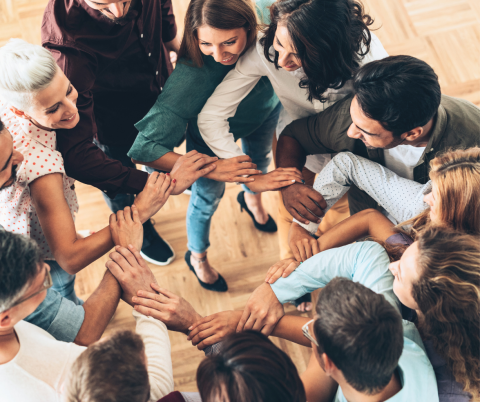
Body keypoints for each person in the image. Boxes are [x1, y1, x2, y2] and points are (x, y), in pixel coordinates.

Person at [197, 0, 389, 265]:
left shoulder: (372, 64)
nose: (282, 61)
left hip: (353, 155)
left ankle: (321, 262)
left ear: (328, 51)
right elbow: (210, 116)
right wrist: (248, 176)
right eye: (279, 44)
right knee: (289, 212)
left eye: (298, 55)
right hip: (294, 149)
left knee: (337, 216)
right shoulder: (266, 52)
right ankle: (290, 267)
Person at [128, 0, 302, 292]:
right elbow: (143, 148)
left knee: (258, 160)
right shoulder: (191, 76)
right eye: (206, 42)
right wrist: (215, 166)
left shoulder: (270, 16)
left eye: (230, 42)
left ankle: (251, 200)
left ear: (249, 24)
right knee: (206, 200)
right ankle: (197, 257)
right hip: (207, 142)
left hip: (265, 111)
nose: (219, 54)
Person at [208, 227, 476, 402]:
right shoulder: (398, 330)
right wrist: (275, 293)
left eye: (313, 328)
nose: (393, 263)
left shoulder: (448, 386)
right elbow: (368, 253)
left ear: (328, 363)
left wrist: (199, 330)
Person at [40, 0, 192, 266]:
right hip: (113, 124)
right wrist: (152, 189)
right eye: (102, 3)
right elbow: (78, 156)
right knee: (122, 190)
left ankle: (157, 172)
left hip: (157, 90)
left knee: (161, 146)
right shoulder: (67, 48)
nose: (118, 12)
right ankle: (140, 227)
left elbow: (162, 7)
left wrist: (172, 42)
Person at [276, 55, 480, 229]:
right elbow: (293, 136)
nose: (351, 132)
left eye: (365, 131)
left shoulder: (472, 140)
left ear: (411, 134)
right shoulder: (363, 109)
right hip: (364, 228)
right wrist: (289, 185)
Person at [284, 147, 480, 263]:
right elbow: (346, 164)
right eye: (430, 188)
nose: (425, 197)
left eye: (435, 198)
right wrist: (303, 226)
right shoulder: (418, 203)